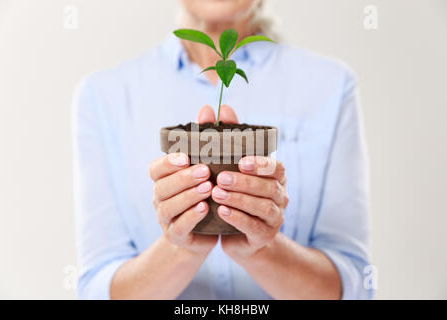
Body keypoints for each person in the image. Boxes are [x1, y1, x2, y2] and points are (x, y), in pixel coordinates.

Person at [72, 0, 371, 299]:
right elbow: (96, 291)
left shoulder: (330, 85)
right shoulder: (104, 97)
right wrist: (181, 247)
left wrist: (262, 249)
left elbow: (356, 286)